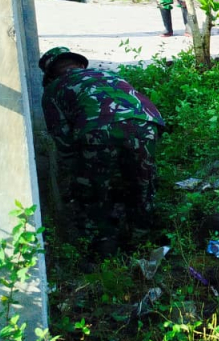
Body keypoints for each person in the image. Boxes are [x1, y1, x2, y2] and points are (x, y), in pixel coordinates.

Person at [39, 47, 166, 254]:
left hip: (97, 129)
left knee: (93, 189)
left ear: (50, 73)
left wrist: (77, 175)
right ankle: (140, 238)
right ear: (79, 64)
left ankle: (102, 244)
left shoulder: (53, 89)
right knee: (142, 183)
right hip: (145, 123)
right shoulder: (108, 73)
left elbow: (63, 139)